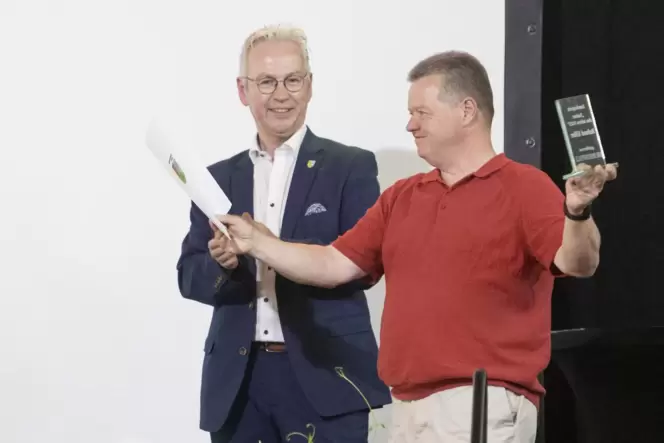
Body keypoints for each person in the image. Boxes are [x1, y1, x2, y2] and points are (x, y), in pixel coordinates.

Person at [216, 50, 619, 443]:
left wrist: (578, 214)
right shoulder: (403, 196)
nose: (410, 125)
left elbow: (578, 262)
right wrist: (258, 243)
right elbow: (332, 264)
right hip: (407, 408)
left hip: (481, 402)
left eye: (421, 113)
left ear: (466, 111)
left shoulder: (524, 186)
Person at [176, 24, 391, 443]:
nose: (281, 94)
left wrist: (266, 246)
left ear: (309, 86)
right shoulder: (218, 179)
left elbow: (365, 265)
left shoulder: (350, 166)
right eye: (267, 82)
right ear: (243, 90)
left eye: (293, 80)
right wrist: (223, 262)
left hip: (326, 375)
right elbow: (189, 277)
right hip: (239, 384)